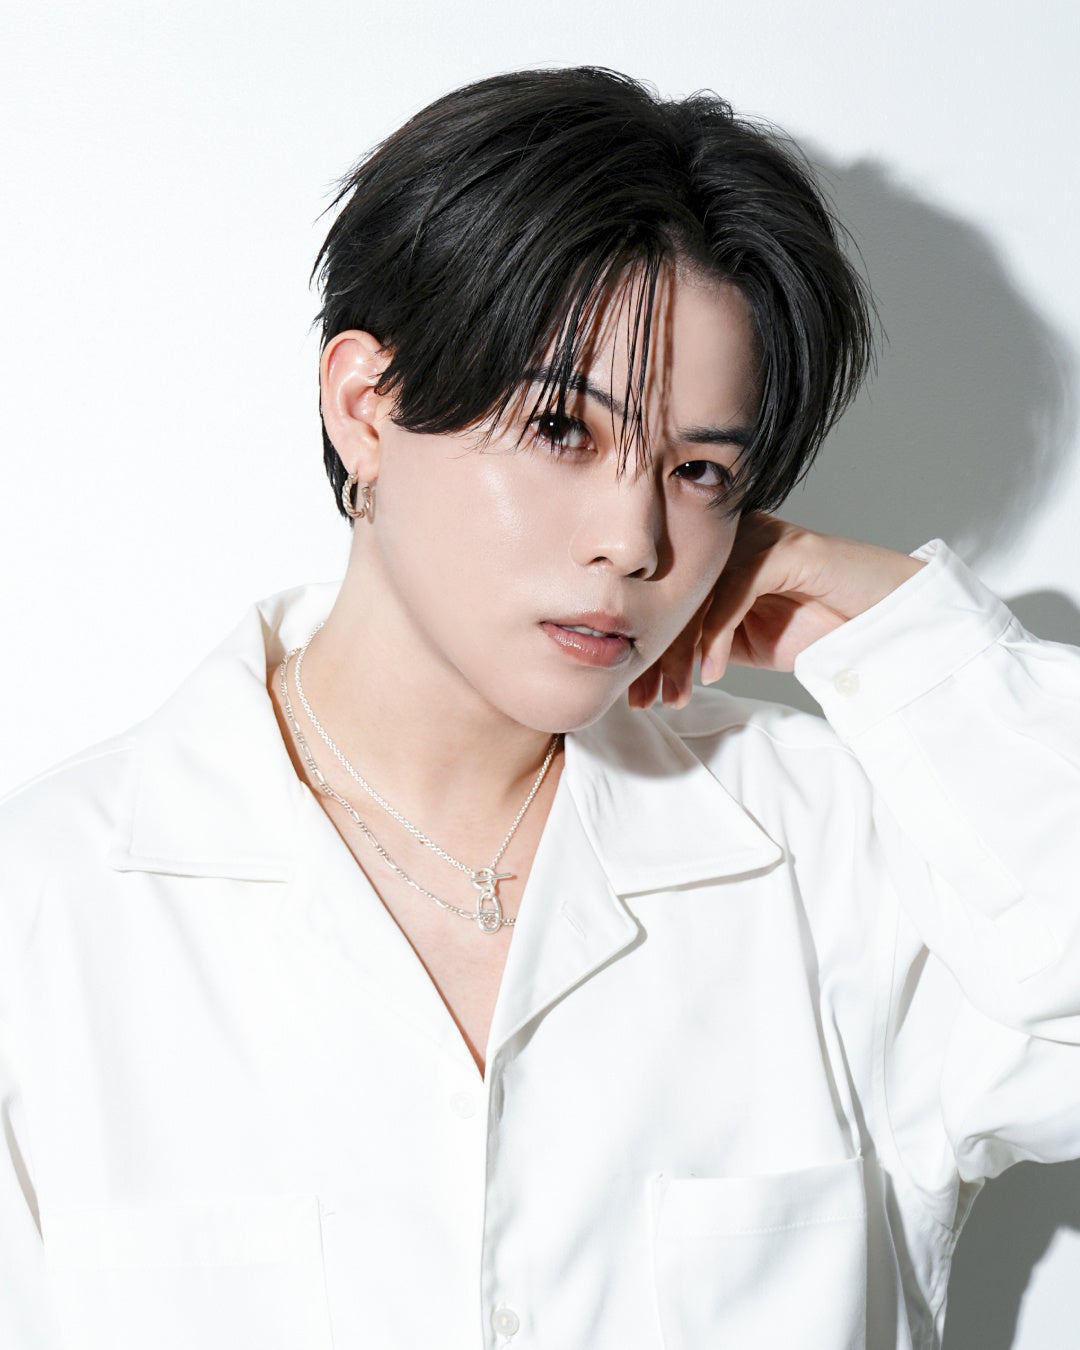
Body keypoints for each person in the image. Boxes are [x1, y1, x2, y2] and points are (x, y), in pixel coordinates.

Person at [1, 65, 1077, 1350]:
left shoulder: (839, 857)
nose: (634, 539)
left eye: (700, 470)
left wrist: (906, 635)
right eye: (564, 430)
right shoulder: (52, 912)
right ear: (367, 408)